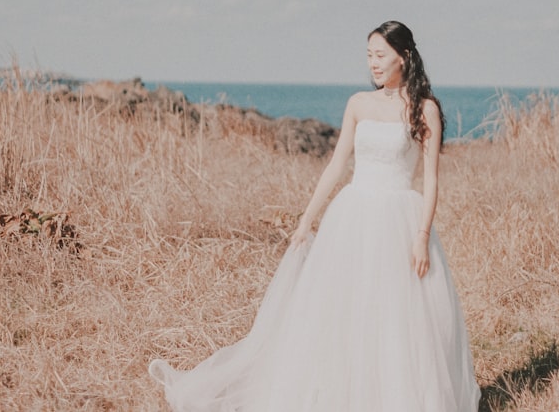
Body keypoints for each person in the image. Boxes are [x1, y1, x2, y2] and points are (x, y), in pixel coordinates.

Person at [149, 20, 481, 411]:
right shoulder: (359, 103)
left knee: (397, 316)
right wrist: (307, 217)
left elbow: (431, 179)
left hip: (399, 219)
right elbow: (337, 164)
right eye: (368, 56)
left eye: (380, 55)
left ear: (404, 56)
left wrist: (422, 234)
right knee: (343, 308)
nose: (372, 64)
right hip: (354, 214)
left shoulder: (425, 110)